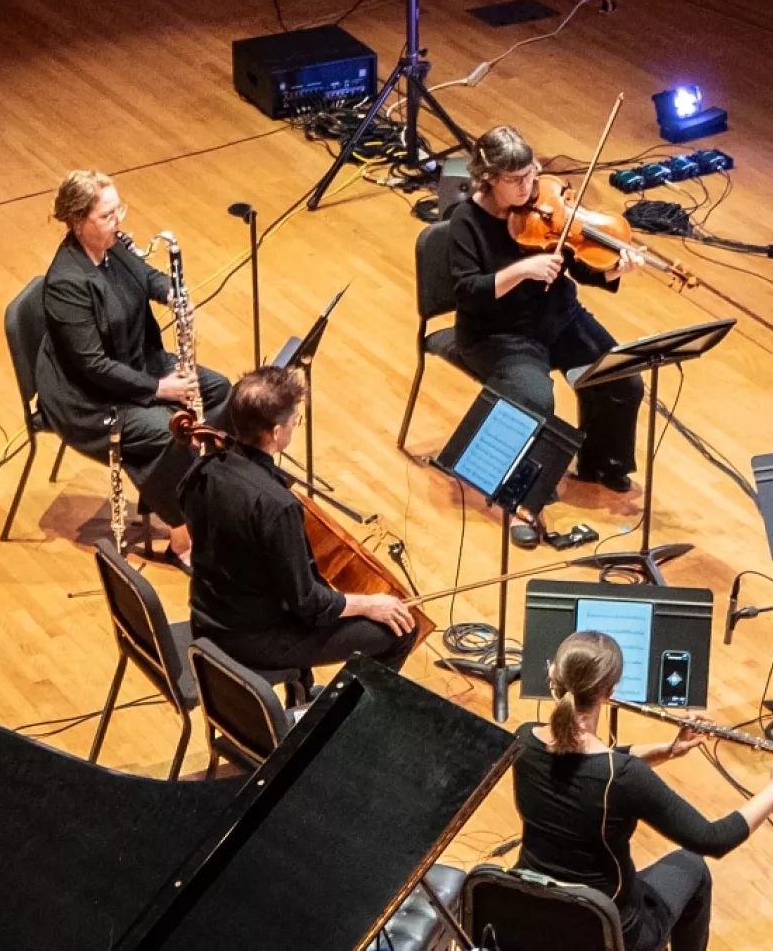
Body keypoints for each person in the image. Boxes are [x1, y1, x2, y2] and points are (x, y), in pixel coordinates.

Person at [514, 631, 773, 951]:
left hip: (530, 913)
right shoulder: (624, 777)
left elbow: (590, 764)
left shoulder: (523, 740)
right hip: (607, 932)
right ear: (610, 693)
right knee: (692, 866)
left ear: (553, 675)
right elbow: (712, 839)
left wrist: (668, 749)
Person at [435, 126, 642, 535]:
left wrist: (614, 268)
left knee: (621, 376)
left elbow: (578, 261)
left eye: (531, 174)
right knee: (534, 399)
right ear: (489, 177)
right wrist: (521, 270)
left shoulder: (546, 208)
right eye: (515, 181)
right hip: (499, 334)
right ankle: (524, 498)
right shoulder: (465, 222)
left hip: (558, 318)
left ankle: (603, 463)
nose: (528, 187)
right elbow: (468, 292)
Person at [36, 170, 231, 549]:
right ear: (78, 222)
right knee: (172, 430)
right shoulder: (66, 285)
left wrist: (171, 293)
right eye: (107, 215)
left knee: (220, 390)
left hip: (140, 363)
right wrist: (161, 388)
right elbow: (93, 367)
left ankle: (211, 491)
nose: (118, 221)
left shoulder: (115, 246)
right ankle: (182, 536)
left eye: (118, 210)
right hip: (91, 401)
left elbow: (147, 275)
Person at [184, 367, 418, 673]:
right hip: (251, 639)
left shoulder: (204, 468)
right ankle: (338, 715)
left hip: (207, 616)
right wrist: (369, 604)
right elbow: (309, 605)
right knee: (400, 631)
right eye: (295, 421)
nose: (295, 425)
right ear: (277, 433)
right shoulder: (276, 506)